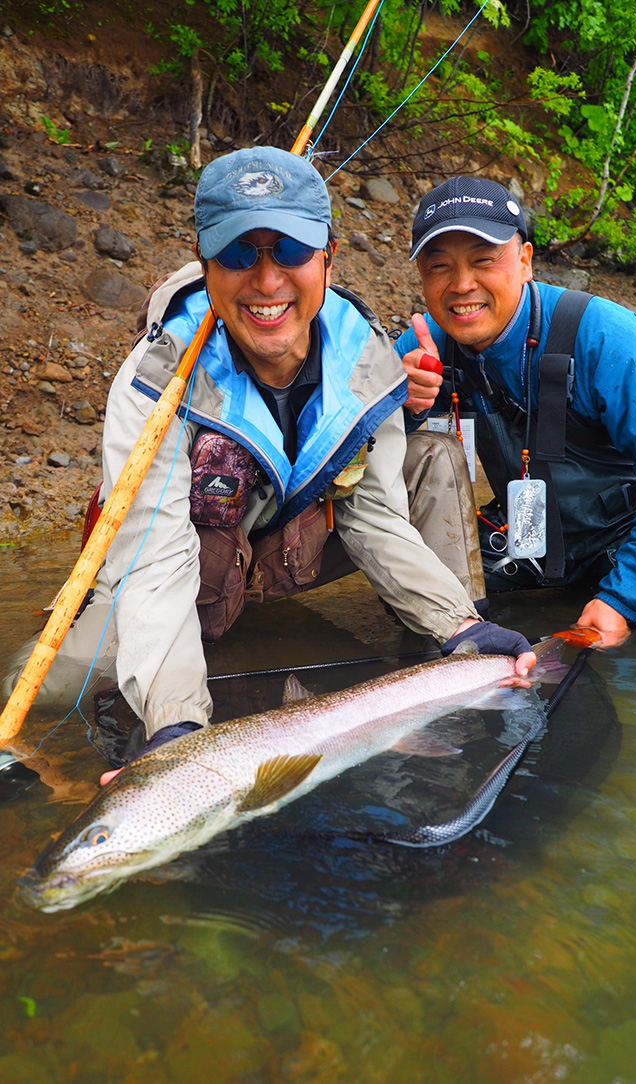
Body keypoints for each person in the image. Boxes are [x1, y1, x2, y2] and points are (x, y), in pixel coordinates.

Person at [4, 150, 536, 768]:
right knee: (45, 687)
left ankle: (434, 664)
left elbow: (377, 519)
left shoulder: (367, 365)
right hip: (179, 563)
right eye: (238, 254)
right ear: (206, 268)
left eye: (288, 251)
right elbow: (154, 564)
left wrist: (460, 628)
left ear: (328, 260)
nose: (266, 281)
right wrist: (177, 728)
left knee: (432, 460)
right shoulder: (155, 382)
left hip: (284, 554)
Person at [395, 175, 636, 656]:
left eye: (484, 261)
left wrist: (621, 597)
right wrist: (398, 409)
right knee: (418, 607)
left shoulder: (603, 333)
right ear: (422, 277)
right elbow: (360, 471)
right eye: (439, 266)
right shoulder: (420, 352)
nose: (462, 285)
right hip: (530, 541)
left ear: (525, 260)